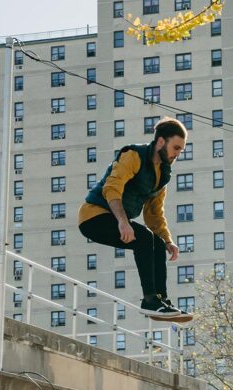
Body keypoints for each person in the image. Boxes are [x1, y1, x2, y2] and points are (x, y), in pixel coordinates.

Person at [77, 117, 191, 320]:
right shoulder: (133, 155)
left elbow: (154, 214)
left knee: (155, 240)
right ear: (161, 142)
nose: (177, 154)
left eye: (181, 150)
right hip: (94, 216)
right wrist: (123, 221)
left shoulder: (162, 174)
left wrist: (167, 240)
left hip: (115, 219)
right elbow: (112, 187)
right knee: (145, 239)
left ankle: (160, 301)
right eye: (176, 148)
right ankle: (150, 301)